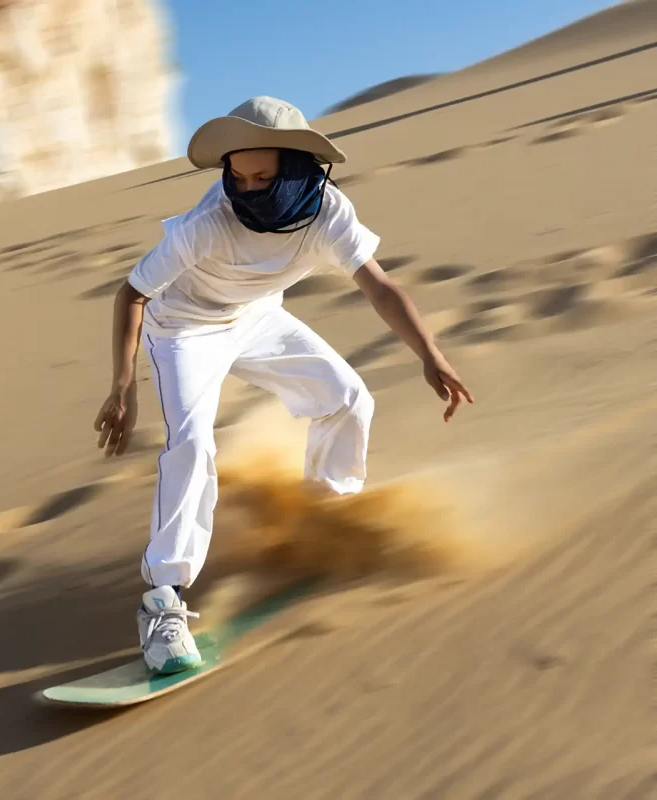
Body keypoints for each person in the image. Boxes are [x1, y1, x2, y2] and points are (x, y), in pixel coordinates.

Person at [93, 96, 473, 675]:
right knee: (192, 444)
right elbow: (133, 293)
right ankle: (162, 600)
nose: (248, 189)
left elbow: (377, 284)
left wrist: (431, 354)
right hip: (186, 329)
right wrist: (124, 385)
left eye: (263, 176)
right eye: (238, 176)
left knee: (347, 399)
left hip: (256, 316)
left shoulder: (328, 213)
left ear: (297, 169)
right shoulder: (207, 224)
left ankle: (325, 520)